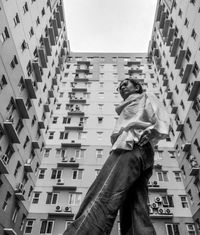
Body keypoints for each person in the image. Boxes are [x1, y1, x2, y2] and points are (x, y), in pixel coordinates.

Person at [63, 78, 171, 235]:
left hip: (131, 147)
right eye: (120, 87)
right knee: (136, 209)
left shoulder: (145, 96)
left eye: (125, 84)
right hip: (139, 153)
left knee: (103, 193)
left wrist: (152, 130)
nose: (121, 87)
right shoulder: (126, 106)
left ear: (137, 87)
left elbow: (161, 116)